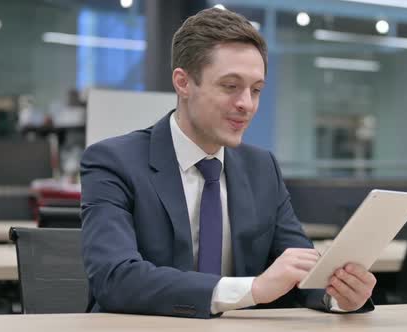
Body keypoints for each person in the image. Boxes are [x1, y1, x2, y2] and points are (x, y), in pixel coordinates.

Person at [80, 8, 375, 319]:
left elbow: (300, 269)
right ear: (183, 83)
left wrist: (341, 295)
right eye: (230, 86)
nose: (246, 104)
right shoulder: (114, 162)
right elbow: (115, 279)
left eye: (256, 90)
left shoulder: (261, 168)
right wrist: (250, 289)